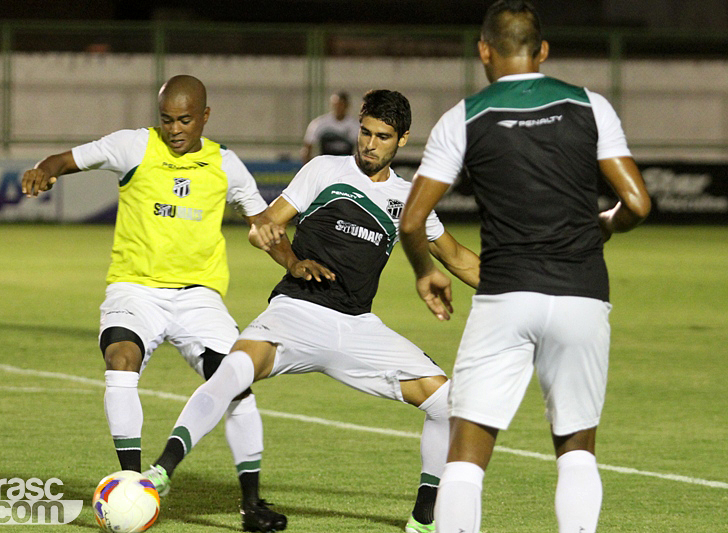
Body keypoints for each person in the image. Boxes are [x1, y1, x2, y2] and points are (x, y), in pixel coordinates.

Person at [143, 89, 480, 533]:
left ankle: (422, 518)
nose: (369, 144)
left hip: (359, 328)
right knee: (232, 371)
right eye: (365, 132)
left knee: (448, 404)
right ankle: (161, 471)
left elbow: (456, 258)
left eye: (382, 136)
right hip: (296, 312)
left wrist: (522, 291)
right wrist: (283, 252)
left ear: (402, 140)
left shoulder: (408, 197)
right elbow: (268, 224)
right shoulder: (325, 169)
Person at [398, 2, 652, 532]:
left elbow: (412, 220)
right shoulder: (590, 106)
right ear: (542, 52)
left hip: (506, 298)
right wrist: (605, 222)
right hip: (582, 293)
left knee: (466, 459)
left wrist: (427, 271)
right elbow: (638, 204)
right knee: (577, 448)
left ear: (484, 50)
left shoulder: (462, 118)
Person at [21, 74, 287, 532]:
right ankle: (130, 482)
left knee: (237, 384)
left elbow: (263, 223)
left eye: (185, 120)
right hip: (135, 290)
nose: (175, 129)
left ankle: (251, 504)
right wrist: (43, 170)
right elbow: (64, 160)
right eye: (166, 120)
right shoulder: (133, 147)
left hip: (199, 298)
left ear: (205, 116)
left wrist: (294, 262)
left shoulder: (226, 164)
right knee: (120, 358)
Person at [301, 91, 360, 164]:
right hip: (325, 164)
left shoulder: (355, 125)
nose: (338, 108)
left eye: (341, 105)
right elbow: (307, 147)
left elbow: (361, 148)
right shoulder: (319, 123)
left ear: (347, 106)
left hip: (346, 164)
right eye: (336, 105)